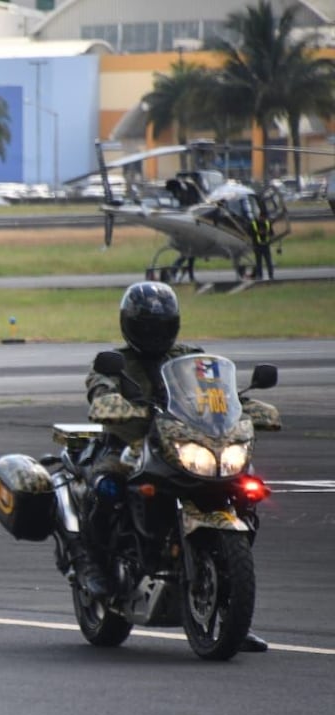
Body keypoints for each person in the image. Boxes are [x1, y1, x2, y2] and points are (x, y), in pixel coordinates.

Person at [83, 281, 268, 652]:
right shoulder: (114, 362)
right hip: (130, 445)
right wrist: (111, 403)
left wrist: (246, 408)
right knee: (105, 486)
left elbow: (219, 394)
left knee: (245, 491)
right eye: (147, 325)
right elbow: (99, 392)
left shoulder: (191, 358)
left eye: (162, 325)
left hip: (187, 444)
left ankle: (233, 615)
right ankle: (94, 566)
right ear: (130, 325)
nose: (155, 332)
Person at [250, 208, 274, 280]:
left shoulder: (267, 223)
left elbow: (272, 233)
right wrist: (258, 233)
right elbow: (250, 233)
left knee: (269, 261)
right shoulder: (253, 223)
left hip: (265, 245)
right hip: (257, 245)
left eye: (265, 218)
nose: (264, 219)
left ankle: (271, 275)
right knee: (258, 262)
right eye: (263, 218)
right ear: (260, 216)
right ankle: (260, 276)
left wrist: (267, 233)